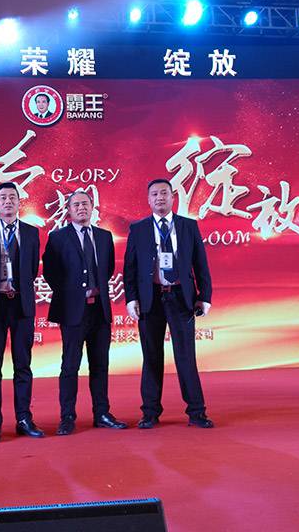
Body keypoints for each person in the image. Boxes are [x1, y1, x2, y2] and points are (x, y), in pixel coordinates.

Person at [123, 179, 214, 430]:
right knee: (151, 356)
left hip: (181, 297)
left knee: (186, 356)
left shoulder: (188, 226)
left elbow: (201, 264)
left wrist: (205, 296)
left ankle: (196, 411)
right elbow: (130, 268)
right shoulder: (138, 229)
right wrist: (131, 298)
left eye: (164, 193)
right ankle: (150, 412)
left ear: (173, 197)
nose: (159, 197)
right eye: (154, 194)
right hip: (150, 298)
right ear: (148, 199)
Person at [43, 191, 128, 435]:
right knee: (70, 365)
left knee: (100, 364)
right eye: (76, 205)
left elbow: (107, 269)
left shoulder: (104, 236)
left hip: (99, 309)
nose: (81, 208)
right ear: (69, 210)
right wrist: (72, 295)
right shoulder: (57, 237)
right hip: (72, 312)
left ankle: (102, 413)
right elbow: (51, 272)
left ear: (92, 207)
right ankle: (67, 417)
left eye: (85, 204)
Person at [0, 182, 44, 442]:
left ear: (19, 202)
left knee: (23, 365)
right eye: (3, 198)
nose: (8, 201)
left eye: (13, 197)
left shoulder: (31, 233)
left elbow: (32, 270)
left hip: (22, 304)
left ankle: (24, 418)